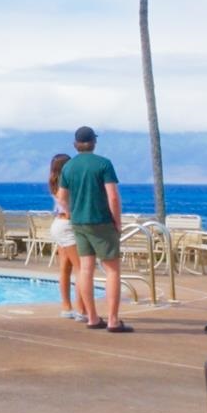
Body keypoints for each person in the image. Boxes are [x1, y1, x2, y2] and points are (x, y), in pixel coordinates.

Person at [59, 127, 128, 332]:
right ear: (94, 143)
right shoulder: (103, 164)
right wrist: (117, 221)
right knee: (112, 270)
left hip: (79, 223)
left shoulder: (68, 167)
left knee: (85, 269)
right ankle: (113, 320)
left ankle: (91, 317)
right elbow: (113, 196)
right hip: (102, 221)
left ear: (75, 144)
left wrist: (71, 212)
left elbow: (62, 197)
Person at [46, 153, 82, 320]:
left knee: (65, 269)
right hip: (67, 225)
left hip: (58, 225)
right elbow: (68, 204)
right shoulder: (67, 184)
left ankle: (67, 306)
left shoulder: (53, 183)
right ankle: (82, 309)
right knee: (81, 269)